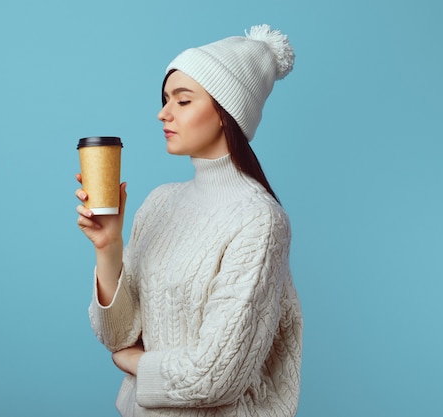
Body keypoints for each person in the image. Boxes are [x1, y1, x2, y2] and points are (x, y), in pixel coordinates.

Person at [75, 24, 303, 417]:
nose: (163, 113)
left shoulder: (261, 222)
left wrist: (132, 363)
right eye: (166, 99)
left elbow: (214, 375)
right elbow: (117, 334)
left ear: (224, 115)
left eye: (183, 101)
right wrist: (108, 247)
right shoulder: (160, 202)